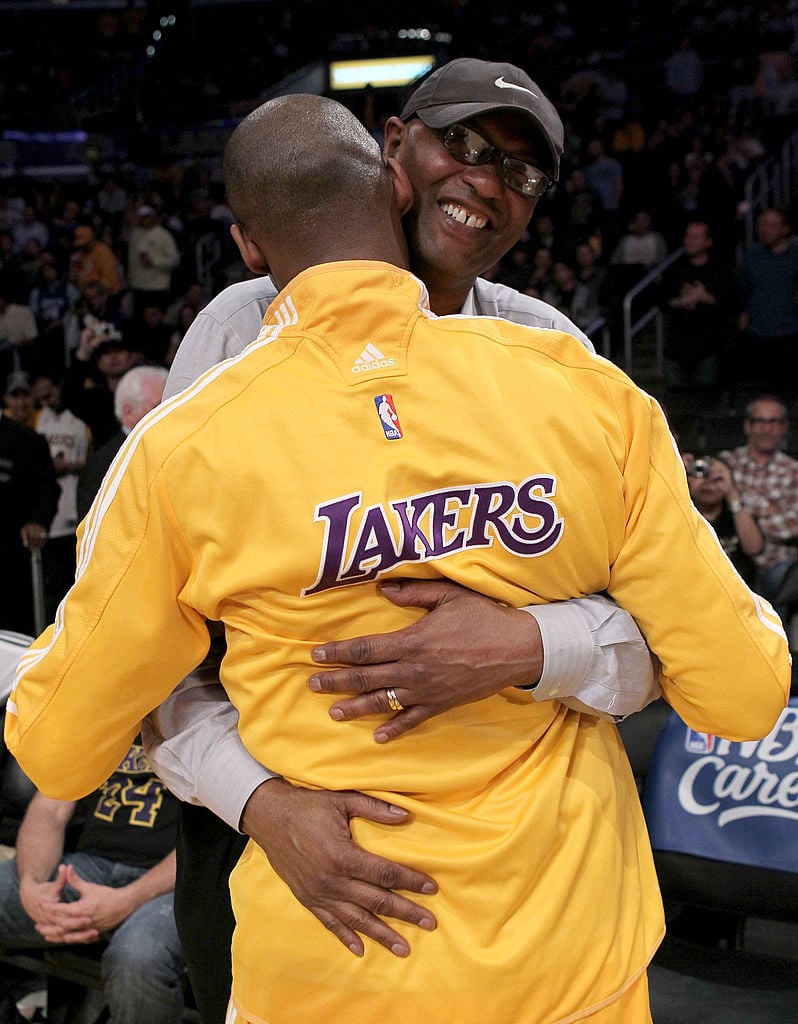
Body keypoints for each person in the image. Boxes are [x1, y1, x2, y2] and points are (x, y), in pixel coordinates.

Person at [6, 93, 789, 1024]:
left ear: (250, 245)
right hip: (571, 951)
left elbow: (57, 741)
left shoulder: (182, 446)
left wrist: (530, 643)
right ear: (395, 183)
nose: (486, 183)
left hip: (338, 965)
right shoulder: (591, 395)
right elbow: (745, 691)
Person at [156, 58, 661, 1024]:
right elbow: (156, 637)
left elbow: (664, 632)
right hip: (285, 857)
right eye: (461, 144)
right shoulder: (237, 332)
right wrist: (261, 803)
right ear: (392, 146)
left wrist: (527, 644)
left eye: (520, 172)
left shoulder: (555, 354)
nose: (484, 183)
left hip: (525, 887)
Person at [0, 740, 187, 1024]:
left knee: (138, 958)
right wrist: (31, 885)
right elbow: (50, 808)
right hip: (88, 868)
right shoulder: (99, 720)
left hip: (173, 885)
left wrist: (128, 900)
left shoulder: (208, 717)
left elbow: (211, 844)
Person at [720, 395, 798, 619]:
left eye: (774, 422)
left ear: (784, 427)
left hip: (777, 564)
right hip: (729, 556)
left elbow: (791, 527)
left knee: (777, 585)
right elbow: (711, 511)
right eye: (760, 421)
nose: (767, 429)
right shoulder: (726, 463)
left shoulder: (793, 471)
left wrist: (742, 508)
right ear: (748, 426)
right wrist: (770, 509)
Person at [31, 374, 92, 618]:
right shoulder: (37, 421)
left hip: (70, 508)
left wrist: (71, 465)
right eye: (41, 395)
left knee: (71, 577)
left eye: (49, 392)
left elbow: (90, 463)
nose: (46, 398)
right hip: (47, 512)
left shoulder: (78, 424)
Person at [76, 364, 168, 521]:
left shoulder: (173, 450)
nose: (167, 413)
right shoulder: (104, 464)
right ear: (128, 411)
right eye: (157, 406)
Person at [658, 219, 739, 389]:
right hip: (676, 349)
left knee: (708, 397)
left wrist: (704, 297)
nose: (691, 241)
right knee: (676, 398)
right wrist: (681, 301)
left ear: (708, 241)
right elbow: (660, 300)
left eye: (696, 237)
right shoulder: (674, 269)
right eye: (688, 236)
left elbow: (732, 305)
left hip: (709, 349)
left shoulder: (721, 270)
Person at [0, 410, 59, 636]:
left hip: (11, 553)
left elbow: (46, 488)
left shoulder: (27, 440)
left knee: (14, 631)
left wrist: (38, 521)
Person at [736, 207, 798, 399]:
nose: (765, 229)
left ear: (786, 228)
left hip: (791, 334)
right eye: (762, 224)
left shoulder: (795, 257)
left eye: (772, 225)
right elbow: (741, 294)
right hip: (757, 334)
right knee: (759, 394)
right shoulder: (751, 258)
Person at [684, 453, 763, 587]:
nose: (708, 483)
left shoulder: (737, 516)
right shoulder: (681, 516)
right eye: (700, 472)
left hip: (737, 589)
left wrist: (732, 493)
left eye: (717, 479)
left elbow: (754, 548)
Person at [125, 205, 180, 317]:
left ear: (153, 217)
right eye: (141, 217)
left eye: (146, 217)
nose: (144, 220)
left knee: (157, 318)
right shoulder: (135, 235)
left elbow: (174, 259)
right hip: (138, 286)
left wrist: (154, 262)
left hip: (157, 287)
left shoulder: (163, 235)